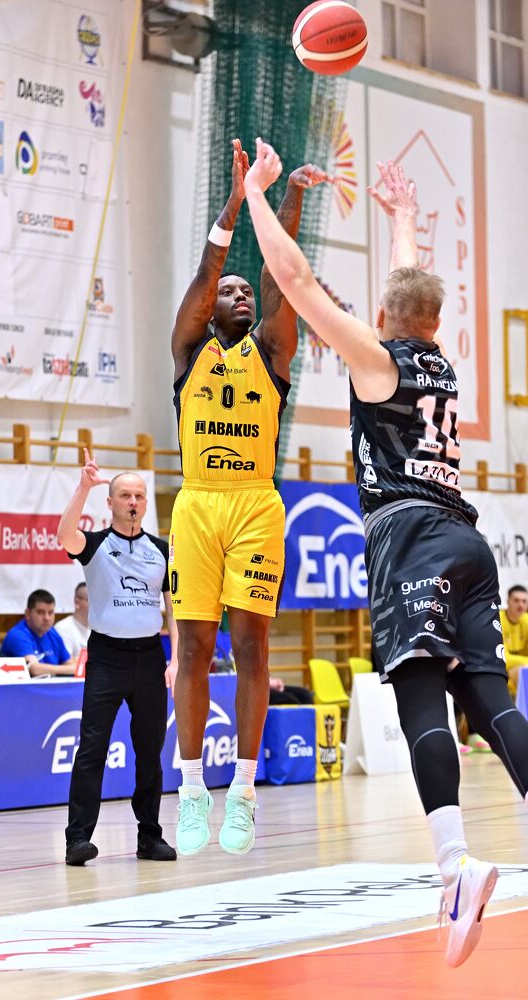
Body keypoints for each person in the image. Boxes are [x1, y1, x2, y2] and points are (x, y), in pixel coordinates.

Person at [243, 143, 528, 967]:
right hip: (469, 540)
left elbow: (296, 280)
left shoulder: (375, 361)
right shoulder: (439, 360)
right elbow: (409, 293)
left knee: (420, 702)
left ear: (386, 317)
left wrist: (256, 195)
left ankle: (456, 867)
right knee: (490, 698)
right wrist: (404, 217)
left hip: (412, 542)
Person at [169, 138, 322, 857]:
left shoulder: (272, 353)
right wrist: (236, 199)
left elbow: (281, 278)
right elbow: (208, 270)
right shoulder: (190, 351)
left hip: (255, 503)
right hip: (199, 503)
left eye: (245, 293)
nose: (239, 294)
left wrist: (287, 196)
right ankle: (191, 788)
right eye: (229, 291)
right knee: (195, 647)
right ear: (210, 310)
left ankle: (244, 791)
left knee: (251, 645)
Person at [57, 452, 178, 865]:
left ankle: (149, 837)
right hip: (106, 658)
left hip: (150, 658)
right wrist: (83, 487)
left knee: (150, 751)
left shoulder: (161, 550)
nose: (133, 501)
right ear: (110, 503)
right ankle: (77, 839)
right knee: (92, 747)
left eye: (139, 496)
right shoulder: (95, 546)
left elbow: (174, 609)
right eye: (125, 495)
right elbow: (64, 534)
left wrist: (176, 660)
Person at [1, 589, 75, 676]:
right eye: (41, 612)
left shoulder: (52, 633)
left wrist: (73, 668)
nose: (47, 618)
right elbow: (34, 669)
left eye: (50, 612)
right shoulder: (17, 635)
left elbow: (68, 662)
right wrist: (73, 669)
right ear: (28, 613)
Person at [500, 584, 528, 697]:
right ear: (508, 601)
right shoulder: (497, 620)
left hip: (519, 670)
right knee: (524, 671)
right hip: (501, 671)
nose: (520, 605)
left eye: (524, 601)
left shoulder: (526, 620)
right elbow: (503, 658)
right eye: (516, 600)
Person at [54, 582, 90, 660]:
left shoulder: (97, 629)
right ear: (77, 602)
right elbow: (66, 661)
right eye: (90, 600)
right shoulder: (63, 628)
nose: (95, 605)